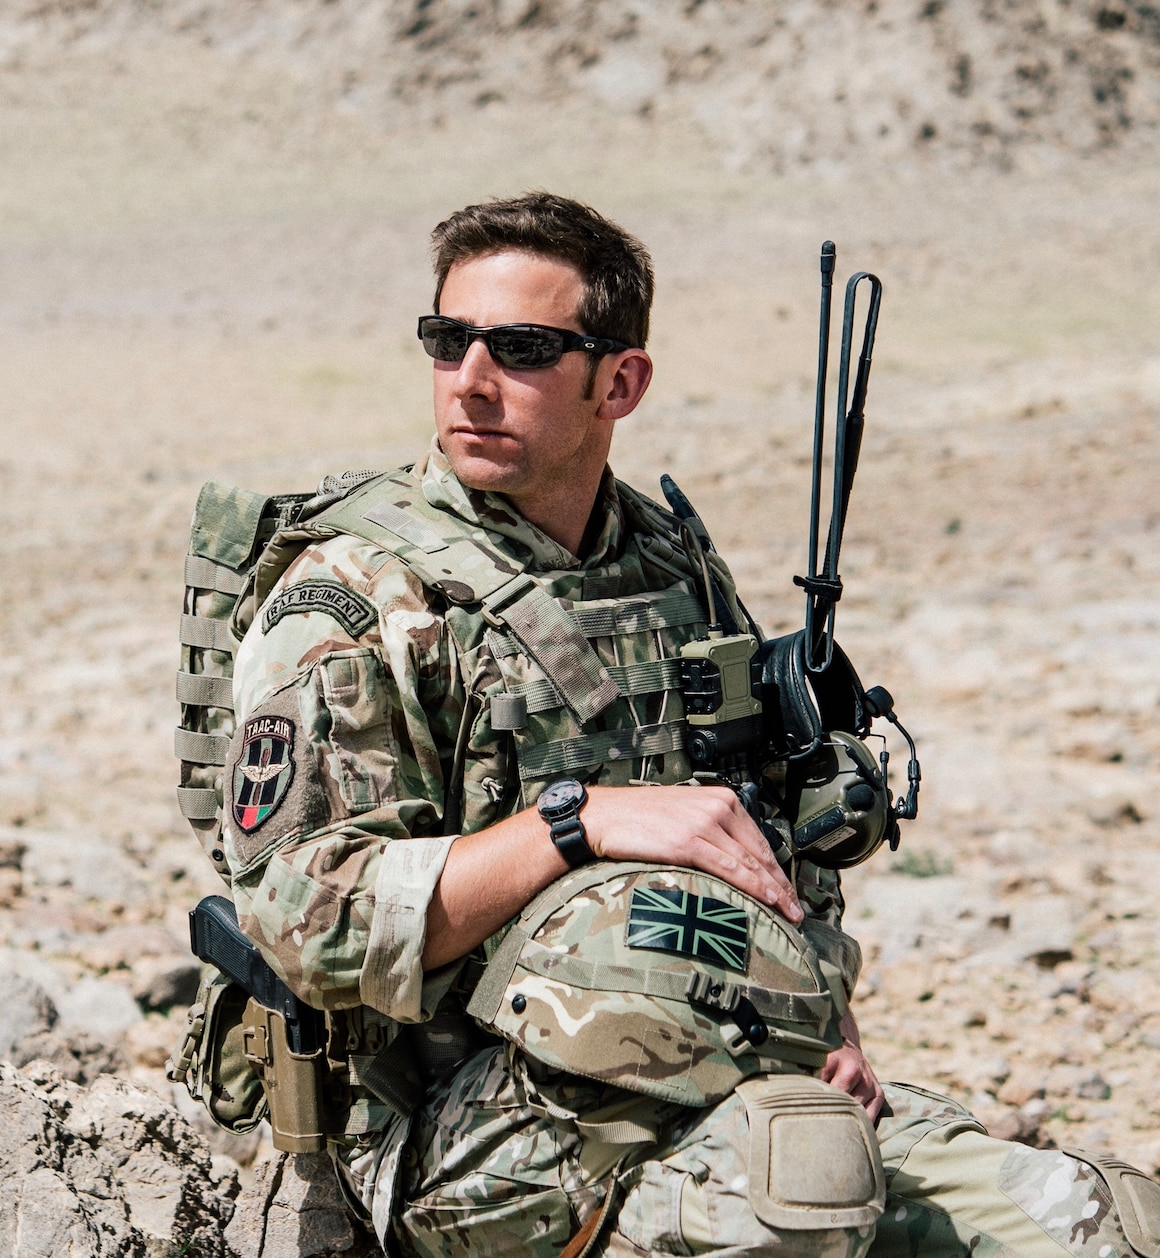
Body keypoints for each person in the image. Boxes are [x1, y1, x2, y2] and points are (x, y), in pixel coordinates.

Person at [209, 192, 1160, 1258]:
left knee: (1090, 1220)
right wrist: (577, 824)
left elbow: (766, 830)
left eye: (520, 347)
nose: (470, 379)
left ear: (619, 381)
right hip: (478, 1125)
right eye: (448, 339)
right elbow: (304, 922)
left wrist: (821, 1015)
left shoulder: (670, 572)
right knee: (799, 1201)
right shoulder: (356, 595)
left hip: (723, 1058)